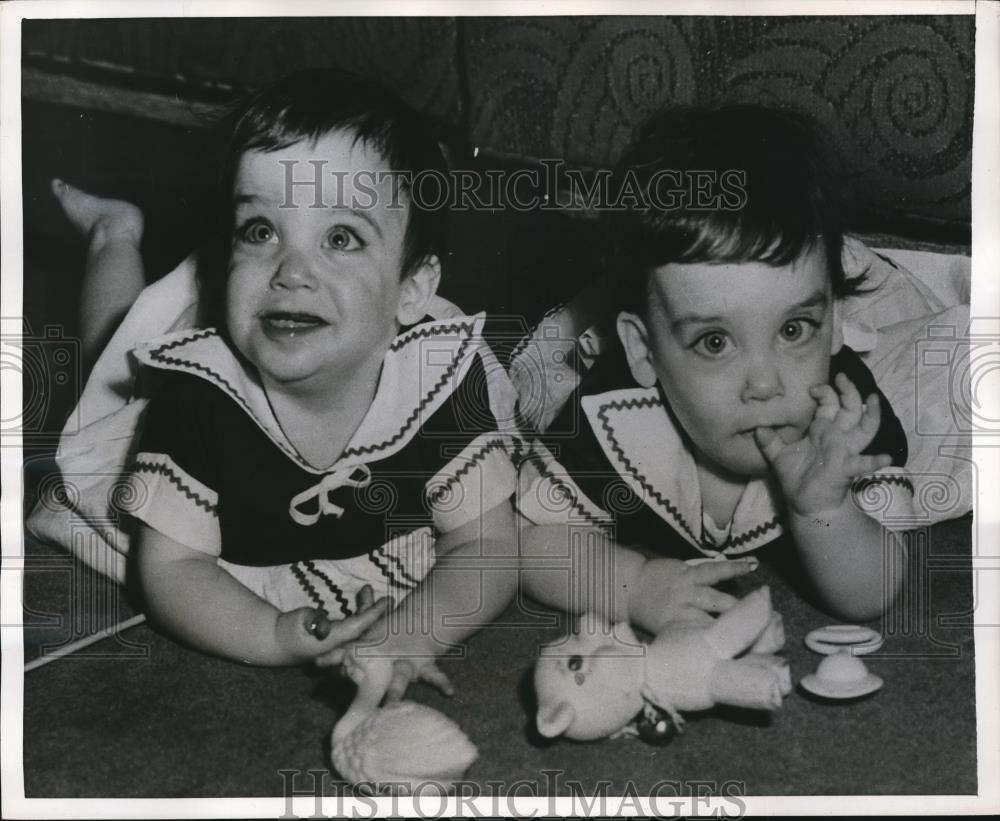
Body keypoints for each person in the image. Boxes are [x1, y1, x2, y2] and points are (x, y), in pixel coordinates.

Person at [35, 71, 757, 699]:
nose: (291, 269)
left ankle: (123, 237)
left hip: (370, 488)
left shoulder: (440, 382)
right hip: (190, 457)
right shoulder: (198, 400)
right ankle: (115, 240)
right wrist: (272, 633)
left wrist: (412, 635)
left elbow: (488, 547)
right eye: (259, 231)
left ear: (413, 291)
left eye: (341, 238)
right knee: (117, 358)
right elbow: (174, 568)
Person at [516, 104, 915, 623]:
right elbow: (533, 540)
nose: (766, 384)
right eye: (714, 343)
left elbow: (874, 593)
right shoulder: (613, 410)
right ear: (643, 352)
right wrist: (634, 587)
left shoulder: (844, 416)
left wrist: (825, 510)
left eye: (793, 330)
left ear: (833, 323)